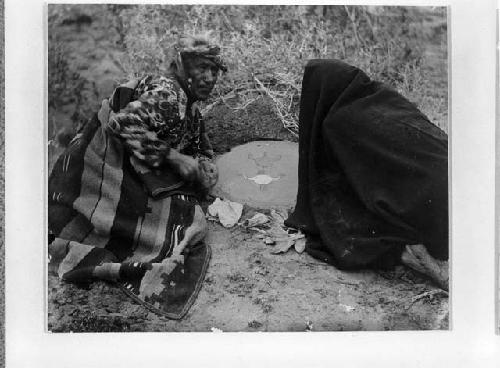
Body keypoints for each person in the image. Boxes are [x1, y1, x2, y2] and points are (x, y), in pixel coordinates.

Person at [48, 35, 226, 318]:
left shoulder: (190, 108)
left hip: (130, 164)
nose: (209, 77)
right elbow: (121, 123)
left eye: (215, 71)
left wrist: (203, 164)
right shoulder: (168, 94)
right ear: (179, 65)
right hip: (98, 165)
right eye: (202, 67)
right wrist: (174, 158)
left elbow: (199, 146)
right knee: (166, 228)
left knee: (178, 208)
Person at [285, 59, 449, 290]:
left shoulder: (339, 120)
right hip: (458, 173)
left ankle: (420, 257)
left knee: (347, 215)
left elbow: (352, 175)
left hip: (435, 208)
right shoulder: (383, 96)